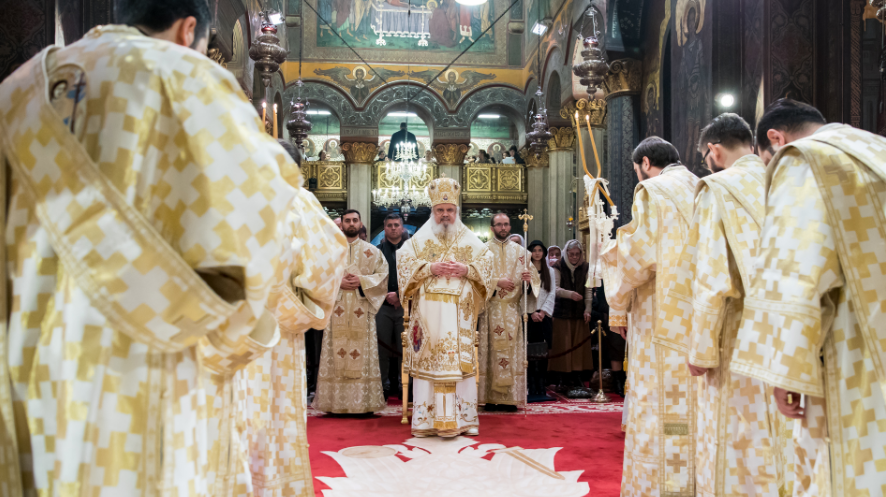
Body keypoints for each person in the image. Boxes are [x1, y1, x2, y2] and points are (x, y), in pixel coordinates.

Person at [0, 0, 346, 493]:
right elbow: (258, 230)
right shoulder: (188, 80)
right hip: (146, 375)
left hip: (28, 366)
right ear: (188, 30)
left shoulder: (19, 89)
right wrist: (228, 345)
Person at [731, 99, 886, 496]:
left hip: (855, 346)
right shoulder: (875, 149)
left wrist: (784, 370)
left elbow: (795, 272)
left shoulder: (805, 160)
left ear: (775, 139)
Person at [658, 113, 791, 496]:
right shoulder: (785, 181)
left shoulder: (717, 188)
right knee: (782, 437)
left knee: (736, 440)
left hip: (738, 337)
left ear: (713, 151)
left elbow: (711, 278)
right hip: (788, 334)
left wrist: (700, 349)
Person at [240, 140, 347, 496]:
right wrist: (299, 290)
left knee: (247, 404)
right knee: (271, 406)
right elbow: (327, 260)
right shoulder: (299, 201)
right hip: (273, 317)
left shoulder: (239, 194)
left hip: (241, 315)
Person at [600, 136, 699, 497]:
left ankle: (659, 483)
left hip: (659, 310)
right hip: (696, 310)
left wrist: (610, 254)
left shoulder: (652, 190)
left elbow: (638, 258)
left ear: (644, 163)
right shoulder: (702, 186)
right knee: (691, 394)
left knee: (659, 393)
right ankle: (693, 478)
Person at [397, 176, 494, 436]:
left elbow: (487, 264)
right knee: (429, 362)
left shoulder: (468, 238)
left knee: (457, 364)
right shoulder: (420, 239)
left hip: (458, 314)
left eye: (450, 209)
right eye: (440, 210)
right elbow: (403, 262)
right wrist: (429, 268)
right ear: (433, 211)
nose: (445, 215)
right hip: (429, 313)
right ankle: (426, 421)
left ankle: (463, 420)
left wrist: (466, 269)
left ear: (456, 211)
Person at [313, 210, 389, 414]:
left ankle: (363, 404)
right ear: (342, 225)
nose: (351, 224)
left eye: (355, 220)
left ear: (360, 223)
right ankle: (334, 404)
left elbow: (383, 277)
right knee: (335, 354)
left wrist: (362, 281)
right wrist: (337, 283)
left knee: (361, 355)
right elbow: (317, 277)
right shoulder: (329, 252)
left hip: (361, 310)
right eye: (347, 221)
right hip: (336, 310)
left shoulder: (372, 252)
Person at [478, 213, 539, 412]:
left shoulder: (523, 253)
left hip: (512, 310)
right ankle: (490, 398)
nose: (503, 228)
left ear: (510, 227)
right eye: (499, 224)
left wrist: (528, 281)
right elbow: (477, 279)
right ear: (492, 228)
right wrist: (497, 282)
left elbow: (534, 284)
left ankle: (510, 398)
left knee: (512, 353)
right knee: (491, 353)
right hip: (491, 308)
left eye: (506, 224)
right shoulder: (482, 251)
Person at [549, 240, 595, 391]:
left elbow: (588, 290)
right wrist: (570, 294)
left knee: (578, 347)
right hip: (562, 312)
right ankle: (562, 378)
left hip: (579, 313)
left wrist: (588, 309)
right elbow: (555, 289)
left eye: (577, 254)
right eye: (571, 254)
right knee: (563, 345)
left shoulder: (586, 267)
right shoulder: (558, 266)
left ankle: (578, 377)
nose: (574, 257)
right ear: (566, 253)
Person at [376, 213, 407, 398]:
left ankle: (405, 386)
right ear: (385, 228)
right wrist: (387, 295)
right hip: (382, 305)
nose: (393, 228)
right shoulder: (376, 252)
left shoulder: (411, 251)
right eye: (390, 225)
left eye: (396, 225)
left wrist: (400, 296)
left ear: (402, 228)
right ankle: (383, 386)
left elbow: (416, 277)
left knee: (405, 349)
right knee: (382, 349)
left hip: (406, 306)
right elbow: (372, 278)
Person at [525, 240, 556, 400]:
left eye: (539, 250)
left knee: (543, 353)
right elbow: (522, 294)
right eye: (534, 250)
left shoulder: (549, 271)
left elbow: (552, 293)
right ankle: (532, 387)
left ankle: (541, 388)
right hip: (530, 317)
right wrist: (531, 312)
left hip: (544, 317)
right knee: (530, 354)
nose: (537, 253)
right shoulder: (525, 271)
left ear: (543, 253)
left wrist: (543, 312)